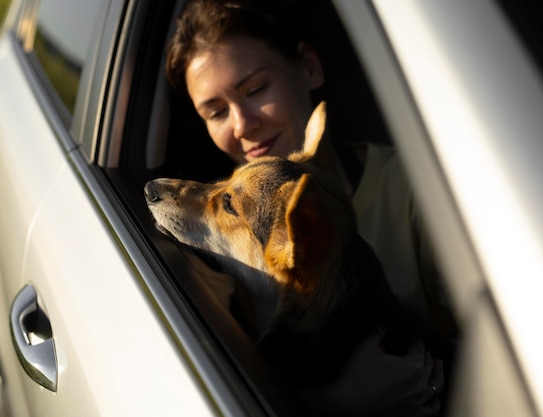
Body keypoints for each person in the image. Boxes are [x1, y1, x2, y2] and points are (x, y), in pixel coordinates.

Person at [165, 0, 454, 414]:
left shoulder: (419, 190)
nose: (242, 125)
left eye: (255, 90)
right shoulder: (211, 246)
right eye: (215, 112)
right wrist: (334, 403)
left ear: (308, 67)